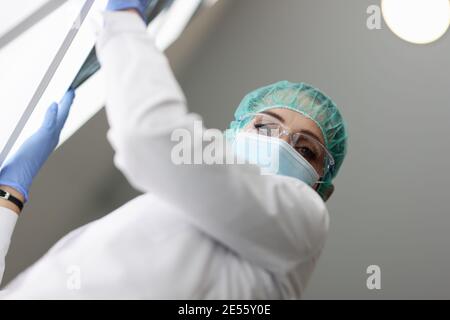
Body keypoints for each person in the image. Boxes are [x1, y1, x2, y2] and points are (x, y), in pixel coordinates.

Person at [0, 0, 347, 299]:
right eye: (265, 127)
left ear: (321, 188)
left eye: (306, 151)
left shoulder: (304, 225)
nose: (280, 144)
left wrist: (123, 25)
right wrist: (9, 197)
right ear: (231, 135)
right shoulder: (178, 206)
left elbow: (150, 136)